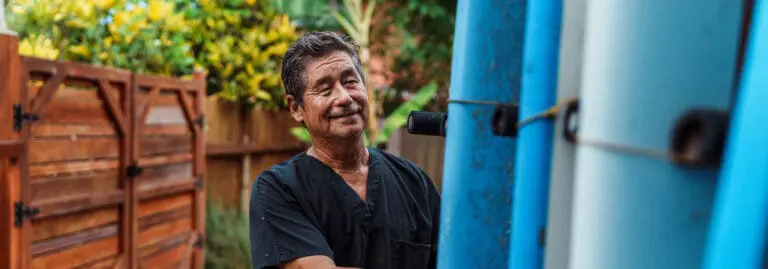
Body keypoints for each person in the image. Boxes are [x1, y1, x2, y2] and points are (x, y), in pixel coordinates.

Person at [248, 31, 441, 269]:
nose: (344, 97)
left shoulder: (415, 183)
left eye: (350, 82)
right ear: (296, 107)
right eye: (325, 89)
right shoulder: (280, 189)